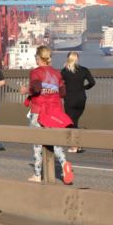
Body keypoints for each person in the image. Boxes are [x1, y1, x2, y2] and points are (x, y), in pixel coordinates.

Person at [22, 45, 74, 184]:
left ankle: (38, 175)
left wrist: (26, 90)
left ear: (38, 58)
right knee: (55, 143)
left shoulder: (36, 72)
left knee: (37, 144)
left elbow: (37, 88)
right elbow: (63, 93)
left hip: (39, 111)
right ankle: (64, 164)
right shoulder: (57, 73)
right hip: (55, 112)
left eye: (35, 57)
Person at [60, 52, 96, 152]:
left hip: (70, 99)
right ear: (77, 59)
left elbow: (59, 84)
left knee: (71, 122)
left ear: (68, 59)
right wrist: (84, 87)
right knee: (75, 121)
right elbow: (92, 82)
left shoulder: (64, 71)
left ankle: (75, 146)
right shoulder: (84, 70)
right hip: (81, 99)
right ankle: (77, 144)